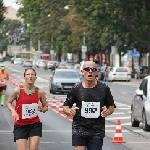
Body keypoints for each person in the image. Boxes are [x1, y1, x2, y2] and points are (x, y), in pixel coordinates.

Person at [63, 61, 115, 150]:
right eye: (87, 69)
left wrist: (108, 111)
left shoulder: (104, 88)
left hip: (97, 131)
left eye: (93, 69)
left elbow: (111, 106)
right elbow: (65, 106)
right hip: (79, 129)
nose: (90, 71)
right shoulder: (76, 88)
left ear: (96, 72)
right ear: (82, 71)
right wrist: (69, 111)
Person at [6, 68, 48, 150]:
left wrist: (42, 109)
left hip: (34, 124)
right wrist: (13, 111)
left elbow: (46, 106)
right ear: (24, 77)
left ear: (36, 77)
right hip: (20, 124)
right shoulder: (18, 90)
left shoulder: (39, 91)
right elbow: (8, 102)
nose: (30, 76)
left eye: (32, 75)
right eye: (28, 75)